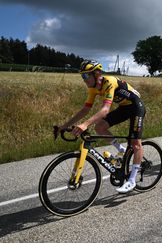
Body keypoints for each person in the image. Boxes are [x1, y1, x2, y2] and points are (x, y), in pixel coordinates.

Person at [55, 60, 145, 193]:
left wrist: (85, 124)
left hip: (137, 107)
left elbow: (105, 110)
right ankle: (121, 149)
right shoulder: (92, 88)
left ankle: (131, 181)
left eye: (86, 76)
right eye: (82, 76)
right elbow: (85, 110)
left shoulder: (109, 82)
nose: (84, 79)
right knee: (99, 127)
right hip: (124, 108)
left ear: (96, 74)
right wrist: (64, 126)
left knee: (136, 143)